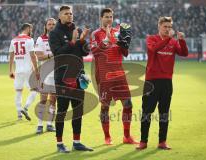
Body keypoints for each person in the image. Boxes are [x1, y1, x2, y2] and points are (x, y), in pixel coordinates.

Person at [136, 17, 189, 150]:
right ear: (159, 26)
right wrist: (168, 39)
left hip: (166, 82)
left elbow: (184, 53)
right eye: (165, 26)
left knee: (164, 113)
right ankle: (143, 141)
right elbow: (153, 50)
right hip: (151, 82)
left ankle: (162, 141)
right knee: (147, 112)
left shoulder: (173, 42)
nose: (167, 29)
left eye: (169, 27)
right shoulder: (151, 38)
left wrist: (181, 40)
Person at [49, 5, 93, 153]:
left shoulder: (78, 30)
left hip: (79, 76)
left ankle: (77, 142)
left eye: (71, 13)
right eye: (66, 13)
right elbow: (58, 53)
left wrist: (83, 41)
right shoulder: (54, 33)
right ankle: (59, 143)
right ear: (60, 16)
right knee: (62, 110)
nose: (70, 15)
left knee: (78, 110)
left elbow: (85, 53)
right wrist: (73, 41)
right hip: (62, 77)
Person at [90, 8, 138, 145]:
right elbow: (94, 51)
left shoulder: (118, 32)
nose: (109, 19)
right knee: (105, 107)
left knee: (128, 104)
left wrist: (125, 43)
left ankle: (127, 136)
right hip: (104, 75)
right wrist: (105, 39)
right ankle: (107, 137)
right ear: (101, 18)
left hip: (119, 74)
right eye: (106, 16)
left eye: (111, 17)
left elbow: (125, 53)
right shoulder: (95, 34)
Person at [9, 23, 39, 121]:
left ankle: (19, 114)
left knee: (18, 91)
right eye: (31, 29)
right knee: (35, 89)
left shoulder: (13, 40)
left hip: (18, 70)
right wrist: (36, 70)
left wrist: (10, 70)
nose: (32, 31)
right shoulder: (29, 40)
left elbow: (11, 57)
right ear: (27, 29)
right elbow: (33, 56)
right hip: (28, 69)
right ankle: (25, 108)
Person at [35, 18, 56, 134]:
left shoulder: (59, 38)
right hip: (45, 73)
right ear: (46, 26)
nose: (52, 26)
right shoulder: (41, 39)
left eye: (53, 24)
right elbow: (39, 56)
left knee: (53, 101)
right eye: (49, 24)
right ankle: (39, 125)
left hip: (56, 73)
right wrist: (53, 53)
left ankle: (49, 124)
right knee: (43, 100)